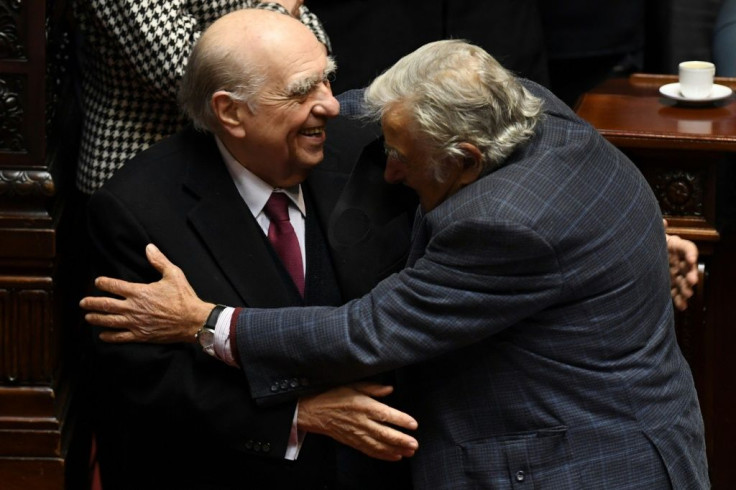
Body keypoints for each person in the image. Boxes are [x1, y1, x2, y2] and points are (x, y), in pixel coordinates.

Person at [82, 39, 709, 488]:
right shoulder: (525, 104)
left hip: (576, 462)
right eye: (305, 91)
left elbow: (366, 332)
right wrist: (638, 240)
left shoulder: (502, 223)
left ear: (465, 158)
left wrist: (202, 322)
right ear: (231, 110)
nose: (388, 169)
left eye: (404, 158)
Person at [81, 9, 419, 489]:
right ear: (230, 112)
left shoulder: (368, 152)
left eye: (328, 79)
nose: (332, 106)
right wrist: (298, 416)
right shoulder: (137, 211)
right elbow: (144, 380)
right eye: (303, 91)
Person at [73, 0, 331, 195]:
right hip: (149, 167)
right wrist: (278, 10)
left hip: (249, 164)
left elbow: (317, 49)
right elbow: (184, 72)